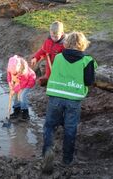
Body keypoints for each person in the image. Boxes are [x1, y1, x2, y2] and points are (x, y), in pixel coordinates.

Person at [41, 32, 97, 173]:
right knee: (70, 129)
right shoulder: (87, 60)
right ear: (83, 44)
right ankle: (67, 160)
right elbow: (89, 81)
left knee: (49, 126)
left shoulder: (59, 57)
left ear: (66, 43)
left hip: (55, 96)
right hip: (74, 99)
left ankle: (48, 152)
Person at [30, 21, 65, 86]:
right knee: (46, 78)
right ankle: (47, 79)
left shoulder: (64, 44)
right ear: (50, 33)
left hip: (59, 68)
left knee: (58, 81)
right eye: (52, 36)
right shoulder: (48, 41)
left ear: (62, 33)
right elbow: (42, 51)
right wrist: (35, 58)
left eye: (56, 37)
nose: (54, 38)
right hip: (49, 66)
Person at [7, 55, 36, 121]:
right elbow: (9, 76)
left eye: (15, 73)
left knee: (22, 96)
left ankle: (25, 113)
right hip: (19, 81)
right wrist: (10, 84)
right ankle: (17, 111)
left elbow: (22, 84)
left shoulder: (24, 70)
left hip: (29, 81)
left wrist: (14, 90)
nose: (13, 74)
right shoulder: (10, 66)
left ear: (19, 69)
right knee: (16, 96)